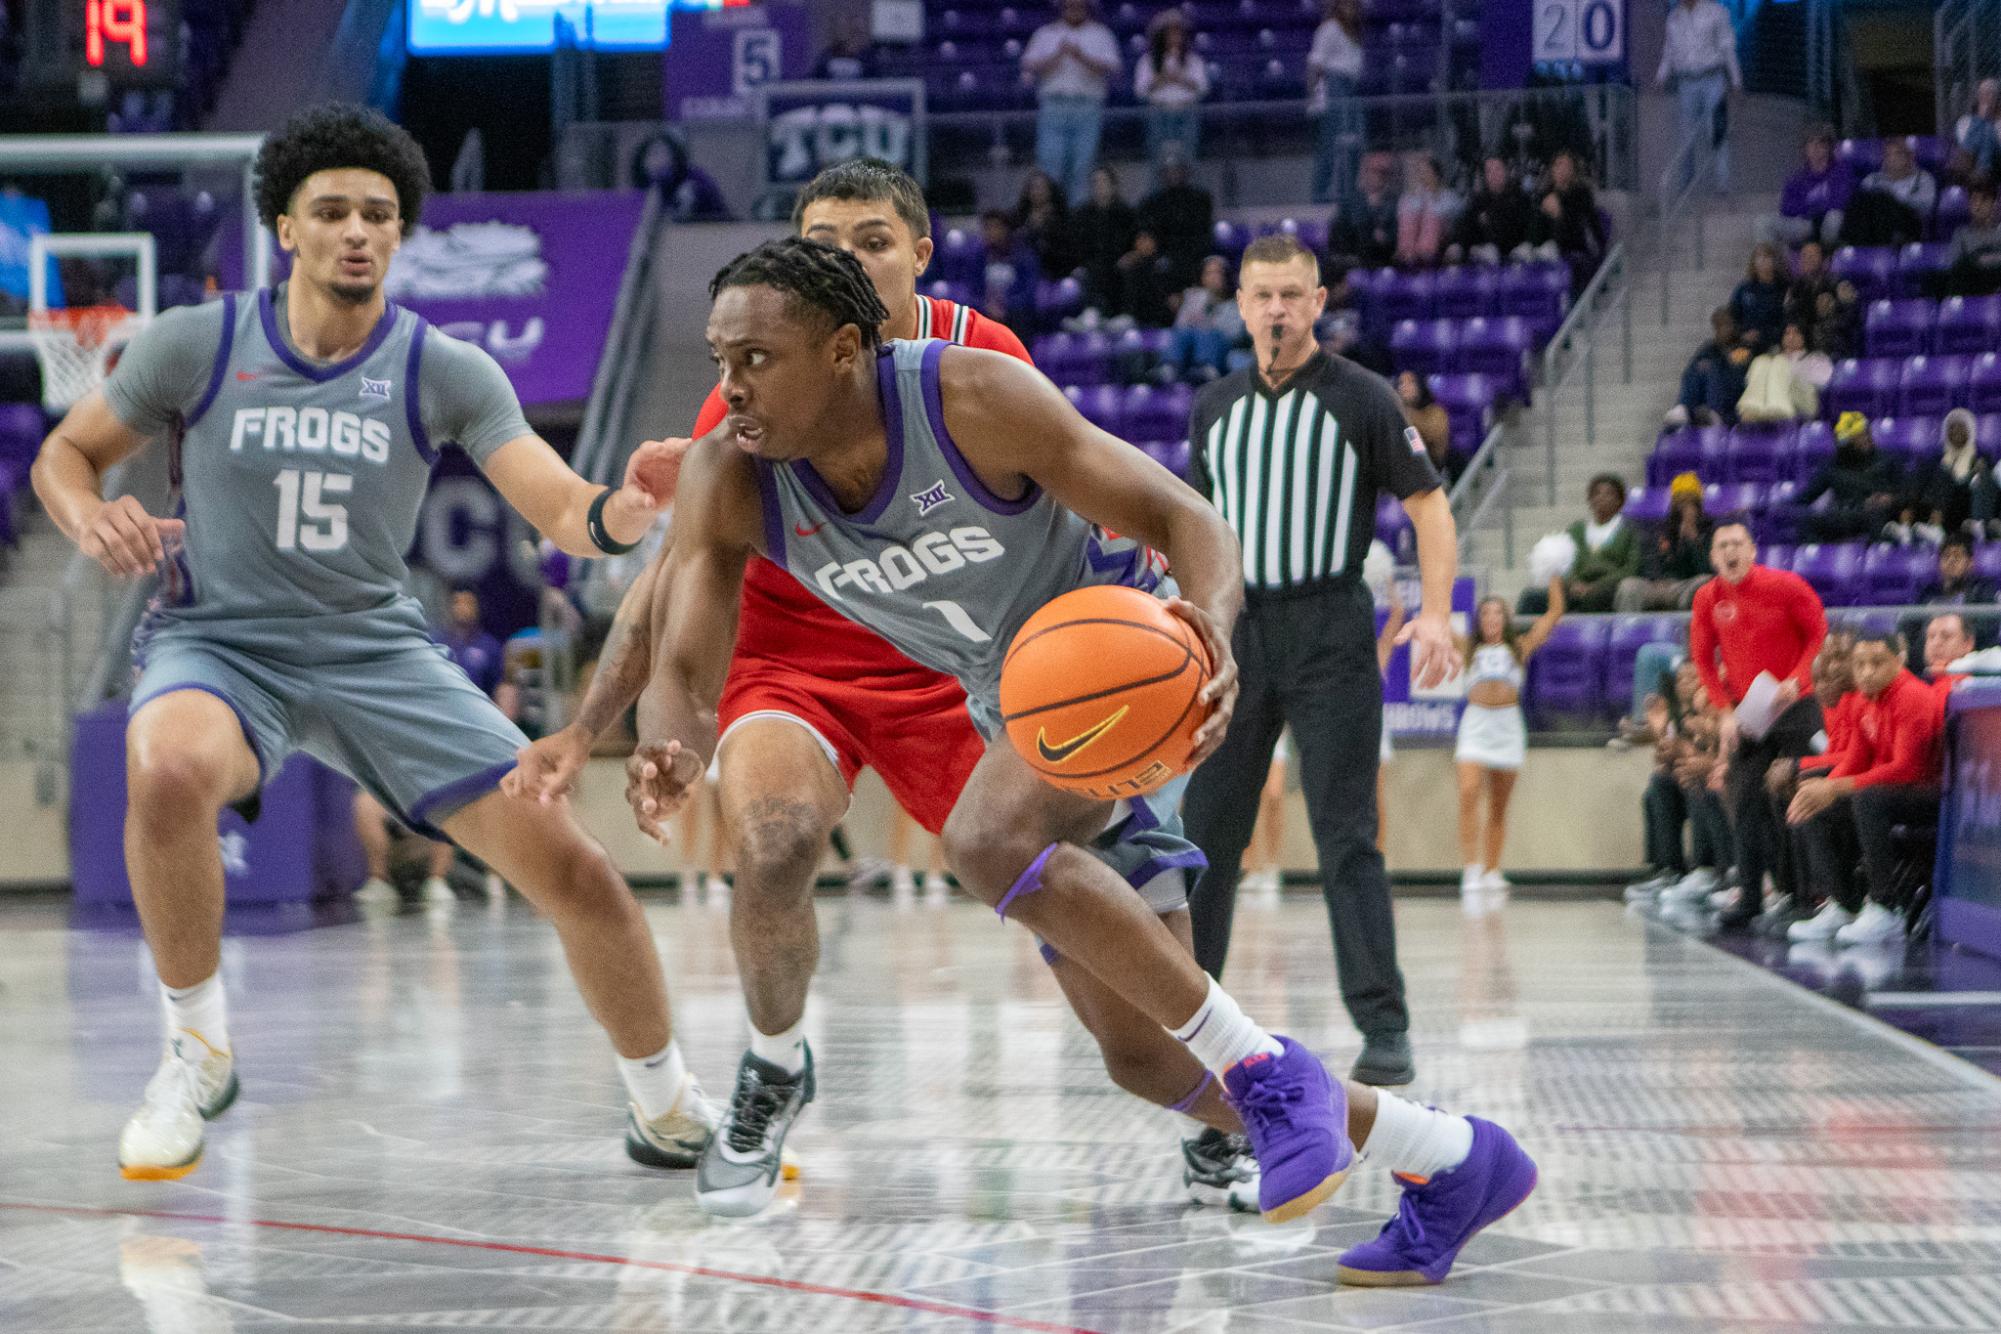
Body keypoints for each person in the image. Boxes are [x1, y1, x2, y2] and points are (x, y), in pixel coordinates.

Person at [626, 234, 1538, 1282]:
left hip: (1120, 643)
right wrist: (666, 738)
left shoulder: (968, 396)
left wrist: (1209, 627)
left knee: (981, 834)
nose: (729, 386)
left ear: (842, 348)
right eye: (718, 359)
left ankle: (1263, 1065)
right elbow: (688, 666)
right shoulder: (730, 476)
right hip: (1015, 698)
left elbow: (1180, 512)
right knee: (1145, 1054)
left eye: (755, 359)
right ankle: (1454, 1156)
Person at [30, 104, 714, 1182]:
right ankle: (195, 1052)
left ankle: (667, 1102)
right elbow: (64, 456)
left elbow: (565, 510)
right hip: (224, 642)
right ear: (287, 229)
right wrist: (86, 517)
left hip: (374, 651)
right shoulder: (196, 343)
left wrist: (629, 504)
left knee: (576, 868)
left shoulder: (444, 368)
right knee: (162, 769)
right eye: (332, 210)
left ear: (401, 235)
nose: (357, 230)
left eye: (380, 214)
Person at [507, 160, 1087, 1218]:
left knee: (1078, 889)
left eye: (870, 239)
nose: (843, 258)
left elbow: (1065, 532)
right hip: (794, 661)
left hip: (946, 661)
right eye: (822, 238)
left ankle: (1210, 1099)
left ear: (921, 252)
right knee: (770, 840)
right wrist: (592, 723)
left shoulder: (985, 363)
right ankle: (774, 1063)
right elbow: (675, 576)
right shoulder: (755, 374)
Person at [1180, 234, 1464, 1090]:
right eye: (1261, 295)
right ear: (1239, 304)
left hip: (1332, 624)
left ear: (1317, 302)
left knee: (1347, 836)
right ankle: (1190, 1014)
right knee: (1206, 838)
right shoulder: (1214, 407)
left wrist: (1440, 617)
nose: (1275, 310)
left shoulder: (1362, 398)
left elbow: (1430, 508)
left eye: (1291, 295)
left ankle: (1384, 1027)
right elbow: (1195, 528)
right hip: (1237, 633)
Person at [1689, 522, 1828, 930]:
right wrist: (1724, 711)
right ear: (1713, 557)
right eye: (1722, 546)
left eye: (1737, 544)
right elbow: (1702, 658)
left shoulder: (1787, 586)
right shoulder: (1706, 598)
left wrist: (1798, 679)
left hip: (1796, 704)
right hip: (1750, 711)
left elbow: (1818, 633)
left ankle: (1817, 894)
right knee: (1745, 798)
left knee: (1810, 786)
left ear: (1752, 550)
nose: (1730, 552)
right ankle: (1751, 897)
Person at [1787, 632, 1945, 947]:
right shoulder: (1863, 701)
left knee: (1866, 797)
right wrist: (1824, 788)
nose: (1867, 672)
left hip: (1929, 793)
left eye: (1877, 663)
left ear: (1898, 662)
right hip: (1891, 792)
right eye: (1860, 664)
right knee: (1816, 805)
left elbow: (1906, 769)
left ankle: (1886, 908)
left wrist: (1836, 787)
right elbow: (1857, 760)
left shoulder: (1912, 696)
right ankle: (1845, 904)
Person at [1456, 579, 1565, 904]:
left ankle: (1492, 869)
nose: (1491, 619)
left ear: (1505, 619)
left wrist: (1553, 575)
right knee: (1468, 792)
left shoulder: (1519, 646)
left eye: (1497, 614)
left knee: (1499, 806)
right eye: (1485, 614)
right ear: (1478, 621)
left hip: (1507, 727)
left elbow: (1555, 613)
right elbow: (1437, 615)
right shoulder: (1467, 648)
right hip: (1475, 725)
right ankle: (1471, 868)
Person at [1757, 629, 1859, 936]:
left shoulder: (1860, 699)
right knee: (1780, 789)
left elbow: (1856, 757)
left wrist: (1801, 766)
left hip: (1876, 785)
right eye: (1825, 662)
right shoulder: (1834, 701)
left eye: (1840, 658)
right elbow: (1838, 754)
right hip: (1852, 778)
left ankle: (1833, 900)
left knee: (1807, 793)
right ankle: (1796, 893)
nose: (1830, 669)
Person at [1022, 0, 1122, 209]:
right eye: (1070, 5)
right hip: (1054, 105)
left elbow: (1113, 68)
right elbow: (1029, 66)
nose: (1074, 8)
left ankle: (1079, 215)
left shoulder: (1100, 34)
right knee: (1050, 164)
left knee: (1082, 166)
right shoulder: (1046, 33)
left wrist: (1080, 56)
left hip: (1087, 105)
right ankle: (1051, 214)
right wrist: (1059, 54)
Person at [1518, 475, 1638, 614]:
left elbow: (1630, 569)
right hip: (1575, 587)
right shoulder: (1576, 530)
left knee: (1593, 598)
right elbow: (1562, 565)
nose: (1601, 498)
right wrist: (1573, 583)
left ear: (1619, 501)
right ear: (1590, 499)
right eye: (1596, 493)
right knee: (1531, 597)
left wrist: (1594, 586)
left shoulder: (1630, 531)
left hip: (1609, 588)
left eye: (1609, 494)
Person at [1656, 0, 1741, 196]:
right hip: (1686, 82)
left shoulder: (1716, 12)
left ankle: (1722, 184)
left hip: (1713, 78)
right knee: (1686, 134)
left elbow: (1728, 47)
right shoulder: (1674, 18)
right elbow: (1669, 52)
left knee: (1717, 131)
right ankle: (1686, 184)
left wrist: (1736, 81)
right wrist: (1660, 77)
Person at [1798, 412, 1904, 542]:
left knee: (1879, 520)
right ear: (1846, 443)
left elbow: (1907, 492)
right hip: (1847, 515)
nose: (1865, 439)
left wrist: (1890, 499)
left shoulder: (1888, 460)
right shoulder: (1832, 467)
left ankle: (1878, 559)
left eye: (1865, 434)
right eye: (1858, 437)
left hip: (1879, 514)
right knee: (1807, 522)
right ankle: (1820, 559)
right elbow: (1805, 497)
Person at [1898, 408, 2000, 541]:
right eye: (1952, 428)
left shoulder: (1981, 456)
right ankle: (1907, 525)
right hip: (1943, 508)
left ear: (1970, 430)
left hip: (1968, 507)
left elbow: (1990, 488)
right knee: (1923, 473)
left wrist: (1975, 472)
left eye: (1961, 427)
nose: (1956, 431)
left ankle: (1977, 526)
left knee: (1976, 475)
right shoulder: (1936, 457)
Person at [1616, 473, 1713, 611]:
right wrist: (1656, 579)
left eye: (1690, 502)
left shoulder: (1710, 529)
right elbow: (1648, 558)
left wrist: (1693, 539)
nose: (1685, 507)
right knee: (1629, 586)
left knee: (1704, 582)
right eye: (1680, 501)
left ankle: (1687, 628)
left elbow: (1707, 570)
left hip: (1685, 586)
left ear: (1698, 504)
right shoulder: (1662, 528)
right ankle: (1629, 630)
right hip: (1657, 584)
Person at [1135, 9, 1210, 176]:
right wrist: (1162, 78)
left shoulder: (1193, 60)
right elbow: (1140, 90)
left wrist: (1181, 79)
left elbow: (1203, 88)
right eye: (1169, 33)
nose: (1174, 38)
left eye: (1178, 33)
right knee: (1157, 160)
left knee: (1188, 159)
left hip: (1187, 112)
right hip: (1158, 112)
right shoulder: (1147, 61)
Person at [1308, 0, 1365, 205]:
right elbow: (1315, 65)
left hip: (1351, 88)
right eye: (1346, 4)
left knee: (1354, 142)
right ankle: (1320, 195)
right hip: (1334, 85)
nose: (1351, 9)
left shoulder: (1354, 33)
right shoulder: (1330, 28)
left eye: (1354, 5)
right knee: (1331, 143)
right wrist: (1316, 98)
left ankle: (1347, 193)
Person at [1760, 128, 1852, 247]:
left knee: (1834, 217)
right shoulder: (1796, 179)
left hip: (1829, 223)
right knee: (1763, 223)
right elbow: (1786, 208)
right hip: (1806, 224)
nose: (1815, 148)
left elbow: (1841, 201)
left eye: (1820, 143)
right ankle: (1774, 263)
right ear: (1805, 149)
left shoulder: (1842, 171)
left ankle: (1828, 255)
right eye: (1811, 143)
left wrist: (1810, 207)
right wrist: (1815, 210)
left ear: (1829, 147)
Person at [1662, 306, 1750, 428]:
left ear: (1734, 326)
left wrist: (1718, 366)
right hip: (1708, 397)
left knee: (1712, 368)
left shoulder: (1742, 348)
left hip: (1733, 399)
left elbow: (1740, 378)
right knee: (1696, 368)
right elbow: (1690, 374)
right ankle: (1683, 407)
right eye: (1718, 327)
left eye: (1726, 325)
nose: (1722, 330)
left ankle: (1715, 413)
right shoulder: (1709, 348)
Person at [1841, 138, 1937, 248]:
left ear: (1910, 157)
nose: (1892, 159)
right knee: (1862, 198)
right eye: (1888, 155)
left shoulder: (1923, 178)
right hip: (1873, 227)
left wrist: (1892, 200)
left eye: (1897, 154)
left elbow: (1926, 207)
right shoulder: (1872, 179)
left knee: (1882, 198)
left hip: (1909, 224)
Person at [1138, 154, 1215, 288]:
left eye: (1177, 169)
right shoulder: (1152, 203)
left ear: (1185, 172)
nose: (1173, 174)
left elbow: (1203, 234)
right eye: (1169, 170)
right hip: (1163, 259)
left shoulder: (1200, 199)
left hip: (1193, 257)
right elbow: (1150, 237)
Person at [1448, 157, 1544, 266]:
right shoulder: (1478, 201)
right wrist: (1457, 244)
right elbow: (1465, 225)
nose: (1494, 174)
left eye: (1497, 169)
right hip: (1485, 257)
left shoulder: (1520, 197)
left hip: (1517, 255)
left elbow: (1527, 228)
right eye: (1489, 171)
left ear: (1505, 171)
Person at [1167, 254, 1247, 381]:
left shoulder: (1237, 304)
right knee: (1182, 333)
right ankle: (1169, 368)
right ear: (1202, 278)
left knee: (1210, 334)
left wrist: (1208, 324)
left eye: (1218, 273)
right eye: (1209, 273)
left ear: (1227, 276)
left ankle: (1206, 370)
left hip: (1220, 353)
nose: (1214, 277)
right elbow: (1180, 327)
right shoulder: (1193, 298)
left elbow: (1235, 335)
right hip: (1191, 349)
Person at [1071, 166, 1139, 310]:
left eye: (1104, 181)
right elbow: (1077, 245)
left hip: (1119, 262)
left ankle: (1124, 314)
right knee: (1087, 271)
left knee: (1129, 269)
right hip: (1092, 264)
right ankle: (1091, 312)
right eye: (1096, 182)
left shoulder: (1126, 214)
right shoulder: (1082, 214)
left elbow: (1135, 242)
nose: (1100, 186)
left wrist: (1132, 255)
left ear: (1113, 186)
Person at [1736, 322, 1830, 423]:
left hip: (1805, 402)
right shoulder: (1773, 357)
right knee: (1761, 360)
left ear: (1805, 336)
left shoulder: (1816, 358)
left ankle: (1777, 408)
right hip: (1769, 402)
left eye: (1796, 333)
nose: (1791, 337)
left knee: (1779, 363)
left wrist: (1791, 374)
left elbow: (1824, 384)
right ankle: (1751, 409)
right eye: (1787, 333)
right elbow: (1750, 381)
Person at [1538, 150, 1607, 274]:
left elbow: (1590, 224)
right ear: (1552, 169)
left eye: (1566, 166)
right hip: (1546, 251)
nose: (1562, 169)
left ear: (1572, 170)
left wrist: (1558, 214)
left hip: (1572, 249)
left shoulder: (1581, 194)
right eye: (1558, 165)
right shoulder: (1544, 195)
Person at [1329, 153, 1401, 271]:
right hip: (1354, 250)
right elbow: (1339, 229)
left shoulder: (1395, 203)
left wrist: (1386, 237)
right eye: (1373, 171)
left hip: (1380, 254)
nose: (1378, 176)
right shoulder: (1351, 202)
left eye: (1382, 172)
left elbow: (1396, 233)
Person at [976, 208, 1041, 333]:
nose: (991, 232)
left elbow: (1029, 291)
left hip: (1015, 316)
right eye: (987, 228)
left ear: (1006, 229)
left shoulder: (1024, 256)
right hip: (985, 313)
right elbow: (972, 290)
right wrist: (986, 306)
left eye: (996, 227)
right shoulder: (978, 257)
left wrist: (1006, 306)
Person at [1395, 155, 1461, 268]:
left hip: (1442, 238)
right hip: (1415, 243)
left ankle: (1426, 255)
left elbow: (1454, 218)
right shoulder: (1412, 197)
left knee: (1431, 221)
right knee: (1408, 218)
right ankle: (1407, 255)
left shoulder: (1449, 197)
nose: (1423, 176)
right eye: (1420, 172)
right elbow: (1403, 213)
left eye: (1426, 172)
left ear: (1436, 174)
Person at [1940, 182, 2001, 298]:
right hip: (1974, 288)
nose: (1978, 205)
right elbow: (1955, 265)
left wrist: (1983, 259)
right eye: (1974, 201)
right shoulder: (1961, 234)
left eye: (1984, 200)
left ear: (1994, 204)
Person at [1398, 371, 1454, 484]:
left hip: (1433, 470)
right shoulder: (1395, 412)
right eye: (1401, 383)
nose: (1404, 387)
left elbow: (1432, 435)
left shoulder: (1436, 412)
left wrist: (1407, 415)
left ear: (1420, 385)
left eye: (1411, 382)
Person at [1729, 243, 1788, 352]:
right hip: (1746, 344)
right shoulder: (1743, 289)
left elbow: (1786, 319)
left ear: (1775, 261)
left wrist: (1766, 336)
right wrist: (1743, 335)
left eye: (1767, 257)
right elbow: (1732, 316)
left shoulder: (1784, 288)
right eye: (1759, 257)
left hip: (1775, 345)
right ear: (1753, 262)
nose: (1763, 261)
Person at [1917, 531, 2000, 605]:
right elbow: (1914, 621)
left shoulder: (1982, 589)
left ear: (1970, 562)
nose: (1951, 561)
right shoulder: (1928, 592)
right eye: (1946, 556)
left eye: (1957, 556)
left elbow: (1985, 621)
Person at [1782, 239, 1836, 332]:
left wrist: (1825, 314)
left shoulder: (1835, 285)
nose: (1808, 259)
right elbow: (1790, 319)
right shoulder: (1796, 286)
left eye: (1813, 255)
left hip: (1827, 337)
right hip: (1802, 337)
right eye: (1804, 255)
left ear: (1825, 261)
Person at [1956, 80, 2001, 179]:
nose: (1985, 98)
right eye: (1982, 94)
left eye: (1990, 94)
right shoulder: (1964, 121)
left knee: (1987, 130)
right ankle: (1982, 172)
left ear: (1997, 99)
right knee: (1986, 129)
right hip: (1968, 165)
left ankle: (1981, 173)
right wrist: (1980, 120)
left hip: (1997, 167)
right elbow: (1965, 148)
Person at [812, 16, 879, 80]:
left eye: (860, 33)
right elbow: (813, 80)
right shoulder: (828, 56)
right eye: (853, 32)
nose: (857, 38)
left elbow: (878, 82)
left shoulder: (871, 59)